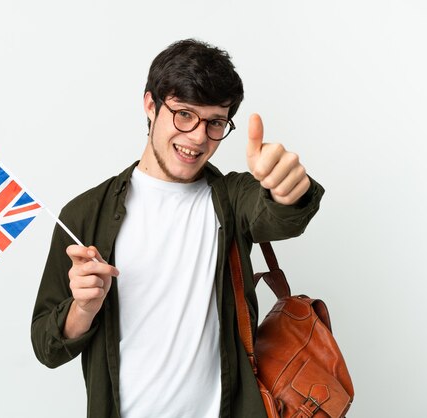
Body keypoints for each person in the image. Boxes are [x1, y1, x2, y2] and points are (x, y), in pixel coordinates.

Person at [31, 38, 324, 418]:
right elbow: (46, 346)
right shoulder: (86, 214)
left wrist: (288, 189)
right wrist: (83, 309)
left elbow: (279, 215)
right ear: (150, 105)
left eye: (215, 122)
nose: (199, 137)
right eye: (184, 114)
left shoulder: (232, 199)